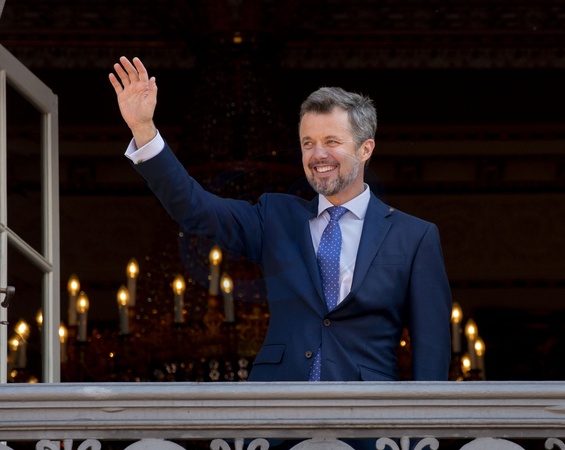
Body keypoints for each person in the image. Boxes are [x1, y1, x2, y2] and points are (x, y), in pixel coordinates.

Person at [109, 56, 452, 384]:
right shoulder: (275, 217)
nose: (318, 155)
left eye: (331, 142)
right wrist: (144, 129)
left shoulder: (414, 236)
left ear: (366, 149)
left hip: (367, 414)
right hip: (278, 410)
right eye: (308, 143)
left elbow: (432, 348)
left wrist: (427, 422)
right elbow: (195, 208)